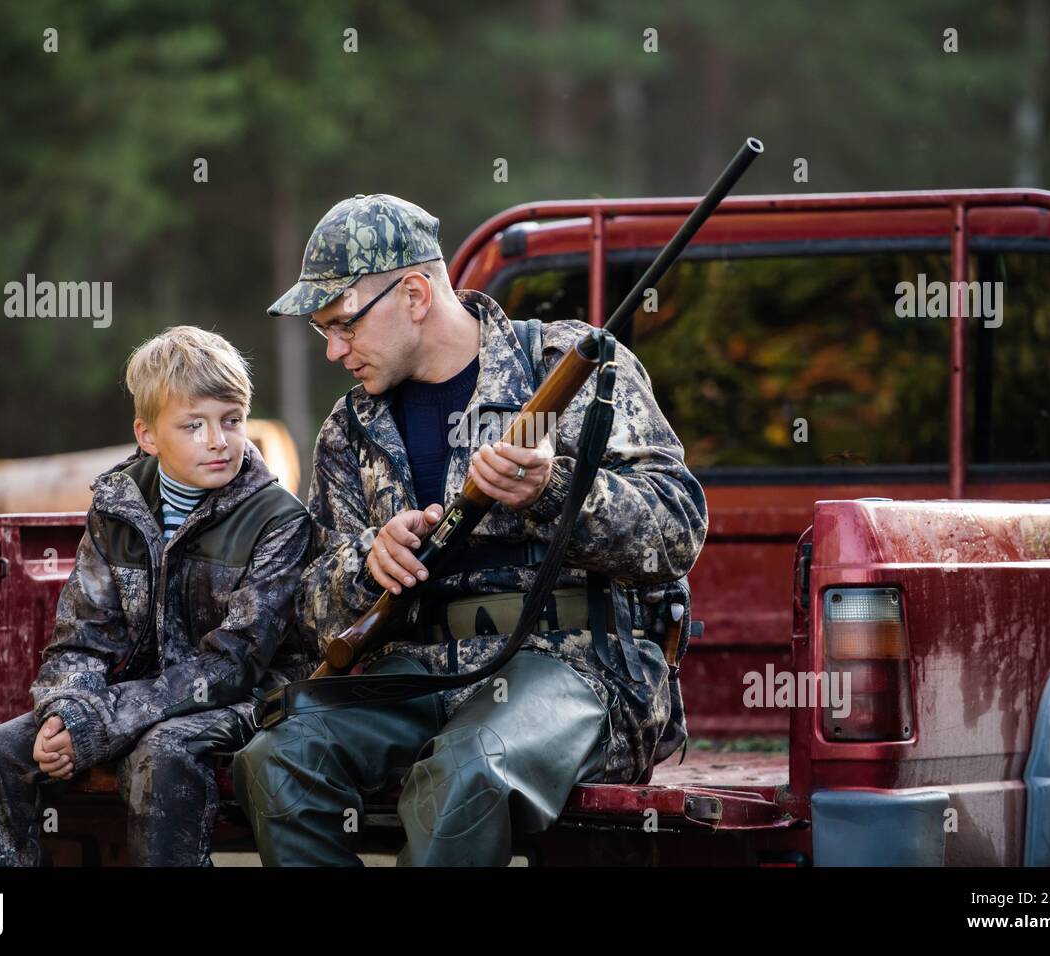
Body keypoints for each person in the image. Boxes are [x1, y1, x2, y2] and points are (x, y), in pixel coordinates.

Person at [233, 193, 708, 866]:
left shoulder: (571, 367)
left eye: (344, 324)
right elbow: (311, 608)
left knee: (465, 771)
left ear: (416, 295)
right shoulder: (349, 429)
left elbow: (679, 526)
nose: (336, 351)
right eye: (324, 333)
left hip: (575, 669)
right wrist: (372, 563)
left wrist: (555, 491)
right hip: (417, 675)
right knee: (276, 761)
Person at [0, 326, 313, 866]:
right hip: (127, 701)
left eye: (232, 420)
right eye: (193, 425)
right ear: (147, 436)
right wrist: (65, 712)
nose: (219, 441)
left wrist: (99, 722)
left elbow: (233, 664)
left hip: (248, 702)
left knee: (162, 752)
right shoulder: (117, 510)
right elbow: (80, 639)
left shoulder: (278, 520)